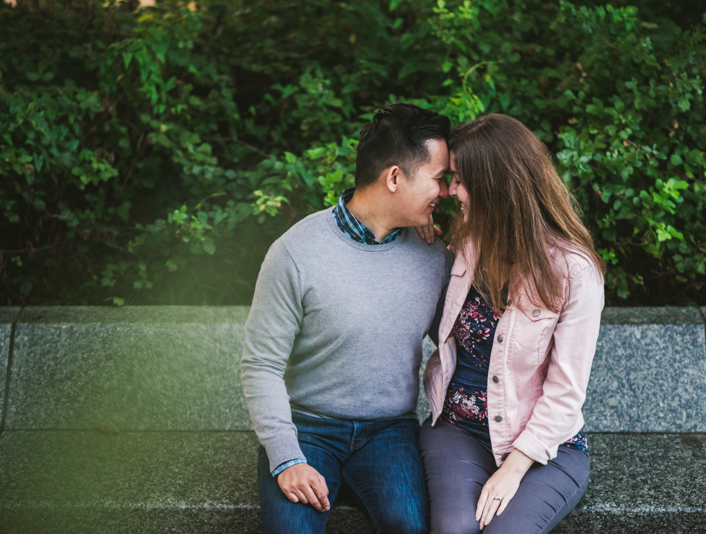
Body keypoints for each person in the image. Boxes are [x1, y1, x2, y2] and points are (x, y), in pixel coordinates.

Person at [241, 103, 454, 534]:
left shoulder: (434, 256)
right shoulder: (295, 252)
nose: (446, 191)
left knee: (409, 525)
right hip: (307, 428)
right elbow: (260, 365)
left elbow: (465, 340)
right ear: (394, 177)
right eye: (438, 178)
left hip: (389, 433)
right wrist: (286, 458)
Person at [420, 113, 606, 533]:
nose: (451, 191)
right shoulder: (464, 245)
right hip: (457, 430)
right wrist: (415, 232)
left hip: (545, 449)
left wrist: (513, 468)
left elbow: (566, 393)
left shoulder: (574, 272)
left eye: (460, 180)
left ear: (496, 184)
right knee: (454, 530)